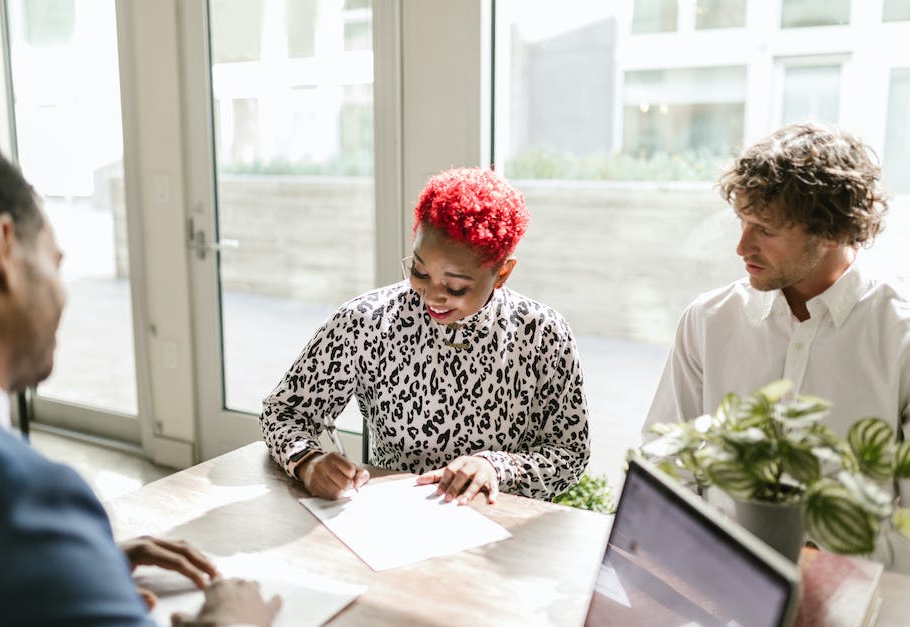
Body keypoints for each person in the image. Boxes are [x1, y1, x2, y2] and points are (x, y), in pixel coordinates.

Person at [0, 141, 281, 626]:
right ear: (3, 247)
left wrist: (68, 568)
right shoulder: (22, 496)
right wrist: (233, 621)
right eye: (55, 262)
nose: (62, 293)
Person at [644, 122, 910, 569]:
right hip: (716, 587)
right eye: (743, 223)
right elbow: (665, 465)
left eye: (764, 229)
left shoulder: (899, 337)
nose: (742, 246)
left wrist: (819, 570)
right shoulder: (709, 320)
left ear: (831, 231)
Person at [260, 167, 590, 503]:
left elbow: (570, 454)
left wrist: (497, 466)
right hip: (390, 520)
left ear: (502, 272)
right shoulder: (365, 321)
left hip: (498, 534)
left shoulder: (544, 334)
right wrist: (308, 462)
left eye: (455, 286)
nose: (432, 296)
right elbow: (283, 412)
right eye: (419, 271)